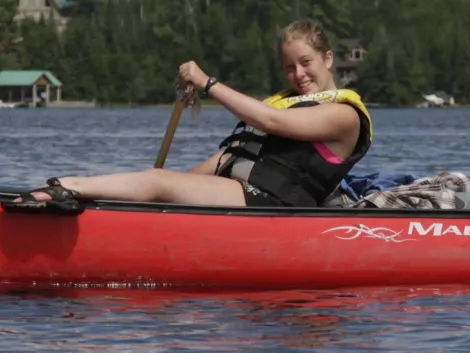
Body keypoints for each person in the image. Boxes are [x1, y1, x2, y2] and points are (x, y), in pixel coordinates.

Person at [7, 19, 372, 211]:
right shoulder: (287, 100)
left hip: (276, 205)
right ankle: (81, 195)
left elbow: (271, 122)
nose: (299, 75)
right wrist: (165, 186)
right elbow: (229, 158)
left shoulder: (344, 116)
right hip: (246, 193)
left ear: (327, 59)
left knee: (158, 185)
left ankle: (65, 186)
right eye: (289, 67)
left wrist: (208, 83)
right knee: (159, 182)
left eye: (305, 63)